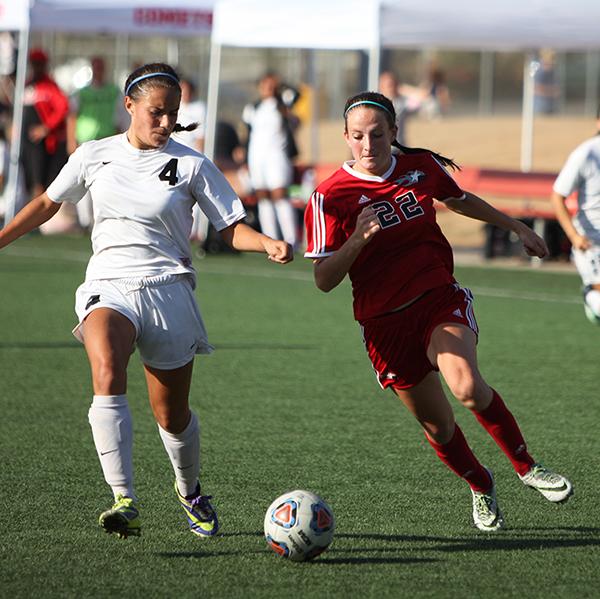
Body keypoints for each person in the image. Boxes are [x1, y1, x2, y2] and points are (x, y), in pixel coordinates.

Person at [0, 62, 293, 540]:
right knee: (107, 368)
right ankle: (124, 498)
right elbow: (48, 203)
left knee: (171, 415)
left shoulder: (192, 163)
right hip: (109, 284)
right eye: (156, 113)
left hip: (169, 291)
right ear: (129, 105)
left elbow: (230, 227)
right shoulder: (94, 155)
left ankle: (189, 488)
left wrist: (266, 243)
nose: (165, 123)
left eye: (172, 114)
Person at [303, 91, 572, 532]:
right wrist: (357, 240)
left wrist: (516, 226)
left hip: (436, 299)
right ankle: (481, 484)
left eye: (377, 134)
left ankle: (526, 467)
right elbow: (323, 279)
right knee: (440, 427)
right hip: (383, 324)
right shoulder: (330, 196)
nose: (368, 145)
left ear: (394, 132)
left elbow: (460, 199)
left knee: (466, 385)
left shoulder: (420, 169)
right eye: (357, 137)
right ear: (346, 138)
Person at [551, 106, 600, 323]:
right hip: (591, 242)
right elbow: (557, 196)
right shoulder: (586, 153)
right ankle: (591, 295)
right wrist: (574, 236)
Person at [67, 56, 125, 229]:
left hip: (106, 140)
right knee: (84, 180)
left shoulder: (113, 91)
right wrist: (71, 141)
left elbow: (120, 117)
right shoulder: (82, 92)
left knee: (105, 181)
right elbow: (72, 116)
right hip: (86, 141)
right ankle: (85, 221)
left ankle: (100, 218)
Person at [242, 71, 299, 248]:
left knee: (279, 195)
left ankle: (291, 240)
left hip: (277, 156)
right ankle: (270, 239)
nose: (268, 88)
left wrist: (281, 89)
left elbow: (296, 96)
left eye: (271, 85)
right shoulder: (253, 108)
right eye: (265, 85)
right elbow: (249, 133)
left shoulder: (282, 104)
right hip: (257, 157)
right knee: (263, 196)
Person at [20, 48, 69, 204]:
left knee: (39, 181)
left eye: (39, 64)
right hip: (25, 142)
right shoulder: (27, 84)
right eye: (34, 64)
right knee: (27, 179)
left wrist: (46, 128)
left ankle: (37, 220)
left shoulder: (49, 86)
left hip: (41, 145)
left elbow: (63, 107)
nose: (36, 67)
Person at [378, 70, 419, 146]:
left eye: (394, 84)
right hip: (380, 147)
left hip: (399, 147)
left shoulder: (403, 102)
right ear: (381, 86)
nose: (391, 88)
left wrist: (404, 90)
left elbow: (418, 102)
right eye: (389, 85)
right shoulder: (375, 104)